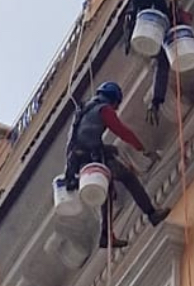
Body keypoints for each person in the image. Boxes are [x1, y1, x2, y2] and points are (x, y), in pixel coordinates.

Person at [64, 81, 166, 251]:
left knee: (106, 191)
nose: (116, 109)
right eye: (117, 105)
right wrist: (143, 149)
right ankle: (151, 213)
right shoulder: (104, 110)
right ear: (113, 99)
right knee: (128, 178)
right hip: (93, 158)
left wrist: (70, 172)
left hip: (79, 161)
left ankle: (106, 235)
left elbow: (80, 140)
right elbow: (122, 131)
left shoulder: (83, 112)